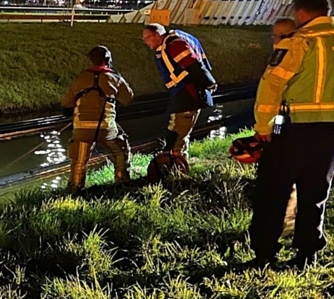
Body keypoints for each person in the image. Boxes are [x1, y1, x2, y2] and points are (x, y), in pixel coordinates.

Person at [248, 0, 334, 269]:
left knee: (273, 190)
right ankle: (306, 254)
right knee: (314, 193)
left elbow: (271, 86)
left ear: (299, 11)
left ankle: (265, 253)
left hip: (293, 130)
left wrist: (263, 128)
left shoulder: (300, 42)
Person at [60, 45, 134, 195]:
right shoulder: (114, 77)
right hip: (106, 128)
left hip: (81, 129)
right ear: (108, 60)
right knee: (121, 149)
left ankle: (75, 189)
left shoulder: (80, 78)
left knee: (79, 160)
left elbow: (66, 103)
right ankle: (122, 183)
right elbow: (128, 98)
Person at [141, 24, 217, 156]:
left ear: (157, 35)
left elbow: (192, 64)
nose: (145, 42)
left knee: (177, 133)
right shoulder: (171, 42)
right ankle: (177, 161)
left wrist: (209, 83)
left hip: (187, 93)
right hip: (182, 93)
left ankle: (176, 164)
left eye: (147, 37)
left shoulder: (174, 44)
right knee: (177, 131)